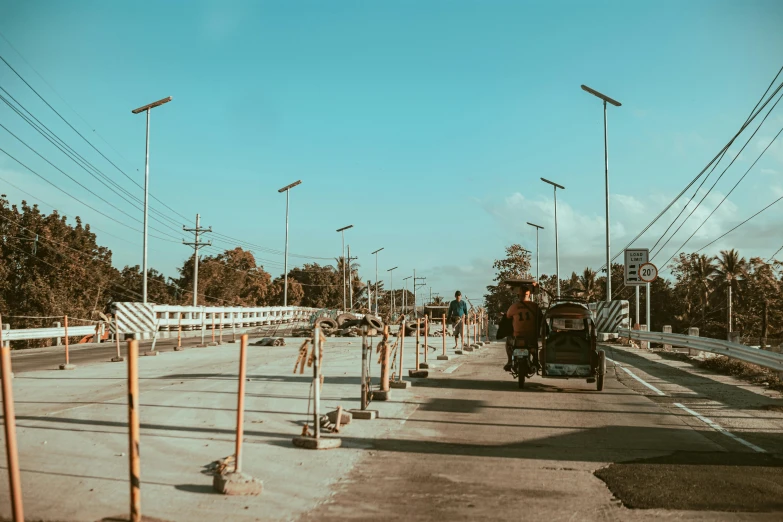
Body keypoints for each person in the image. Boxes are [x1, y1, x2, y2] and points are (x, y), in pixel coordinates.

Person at [504, 283, 544, 372]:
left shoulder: (514, 306)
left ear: (519, 295)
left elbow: (508, 317)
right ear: (529, 295)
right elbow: (541, 317)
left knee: (508, 341)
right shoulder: (535, 306)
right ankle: (535, 361)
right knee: (535, 345)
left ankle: (510, 361)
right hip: (531, 335)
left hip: (517, 335)